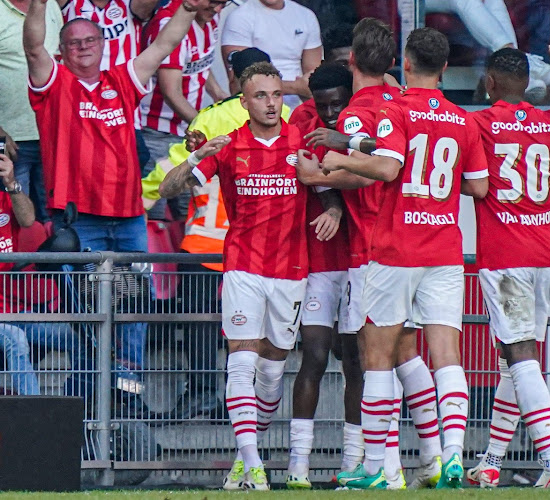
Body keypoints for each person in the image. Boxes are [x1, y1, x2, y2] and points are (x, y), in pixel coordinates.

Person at [312, 27, 490, 489]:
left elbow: (388, 168)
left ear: (406, 65)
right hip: (445, 247)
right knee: (447, 354)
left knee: (377, 354)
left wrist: (339, 160)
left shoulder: (396, 108)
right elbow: (479, 187)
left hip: (396, 247)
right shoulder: (462, 119)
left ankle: (377, 469)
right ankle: (453, 455)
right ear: (446, 68)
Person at [159, 61, 340, 490]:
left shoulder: (301, 142)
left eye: (277, 95)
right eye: (261, 96)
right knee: (241, 360)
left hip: (292, 270)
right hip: (242, 266)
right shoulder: (228, 145)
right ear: (244, 102)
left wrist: (332, 208)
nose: (271, 103)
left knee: (273, 372)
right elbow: (168, 188)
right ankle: (255, 464)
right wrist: (197, 156)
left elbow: (326, 188)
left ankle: (246, 458)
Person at [24, 0, 204, 398]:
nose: (83, 47)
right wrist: (38, 3)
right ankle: (90, 391)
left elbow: (162, 46)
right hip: (79, 220)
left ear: (103, 44)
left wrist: (188, 9)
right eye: (74, 43)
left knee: (134, 306)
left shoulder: (122, 80)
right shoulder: (53, 84)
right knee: (88, 313)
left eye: (90, 40)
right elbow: (33, 47)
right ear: (63, 50)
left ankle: (128, 390)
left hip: (128, 218)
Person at [296, 19, 446, 490]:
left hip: (373, 249)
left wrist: (317, 176)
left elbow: (371, 174)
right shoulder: (401, 102)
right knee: (405, 355)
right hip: (420, 242)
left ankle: (383, 468)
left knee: (374, 355)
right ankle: (435, 455)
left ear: (353, 61)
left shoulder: (359, 111)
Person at [466, 39, 550, 488]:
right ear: (527, 86)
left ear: (490, 83)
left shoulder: (480, 124)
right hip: (544, 254)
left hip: (505, 257)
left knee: (521, 357)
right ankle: (491, 462)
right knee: (516, 358)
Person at [285, 63, 360, 490]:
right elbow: (308, 172)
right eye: (323, 104)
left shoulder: (363, 126)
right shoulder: (302, 120)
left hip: (358, 262)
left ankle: (351, 466)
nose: (330, 113)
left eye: (337, 103)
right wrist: (332, 205)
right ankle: (298, 466)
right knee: (313, 356)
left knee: (354, 362)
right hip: (319, 261)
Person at [139, 0, 229, 220]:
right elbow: (171, 92)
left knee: (189, 213)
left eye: (223, 3)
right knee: (154, 211)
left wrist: (219, 95)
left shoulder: (210, 17)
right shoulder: (170, 23)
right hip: (158, 133)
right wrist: (207, 125)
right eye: (213, 2)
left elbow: (199, 64)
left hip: (187, 132)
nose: (218, 9)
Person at [58, 0, 160, 170]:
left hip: (125, 119)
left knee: (128, 188)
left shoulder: (130, 4)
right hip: (78, 115)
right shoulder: (71, 3)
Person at [398, 0, 550, 99]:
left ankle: (513, 61)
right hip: (408, 4)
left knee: (493, 1)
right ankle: (518, 63)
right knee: (466, 0)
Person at [0, 0, 63, 223]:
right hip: (13, 142)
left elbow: (59, 61)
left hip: (53, 137)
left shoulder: (51, 5)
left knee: (55, 221)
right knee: (15, 221)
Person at [221, 0, 322, 108]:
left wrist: (306, 89)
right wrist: (295, 87)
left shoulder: (306, 16)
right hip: (255, 108)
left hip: (300, 107)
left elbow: (314, 74)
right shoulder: (240, 17)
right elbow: (240, 82)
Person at [0, 150, 40, 395]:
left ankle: (83, 413)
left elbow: (27, 220)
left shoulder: (5, 198)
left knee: (76, 337)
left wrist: (11, 182)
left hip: (14, 310)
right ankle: (35, 422)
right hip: (7, 322)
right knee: (15, 338)